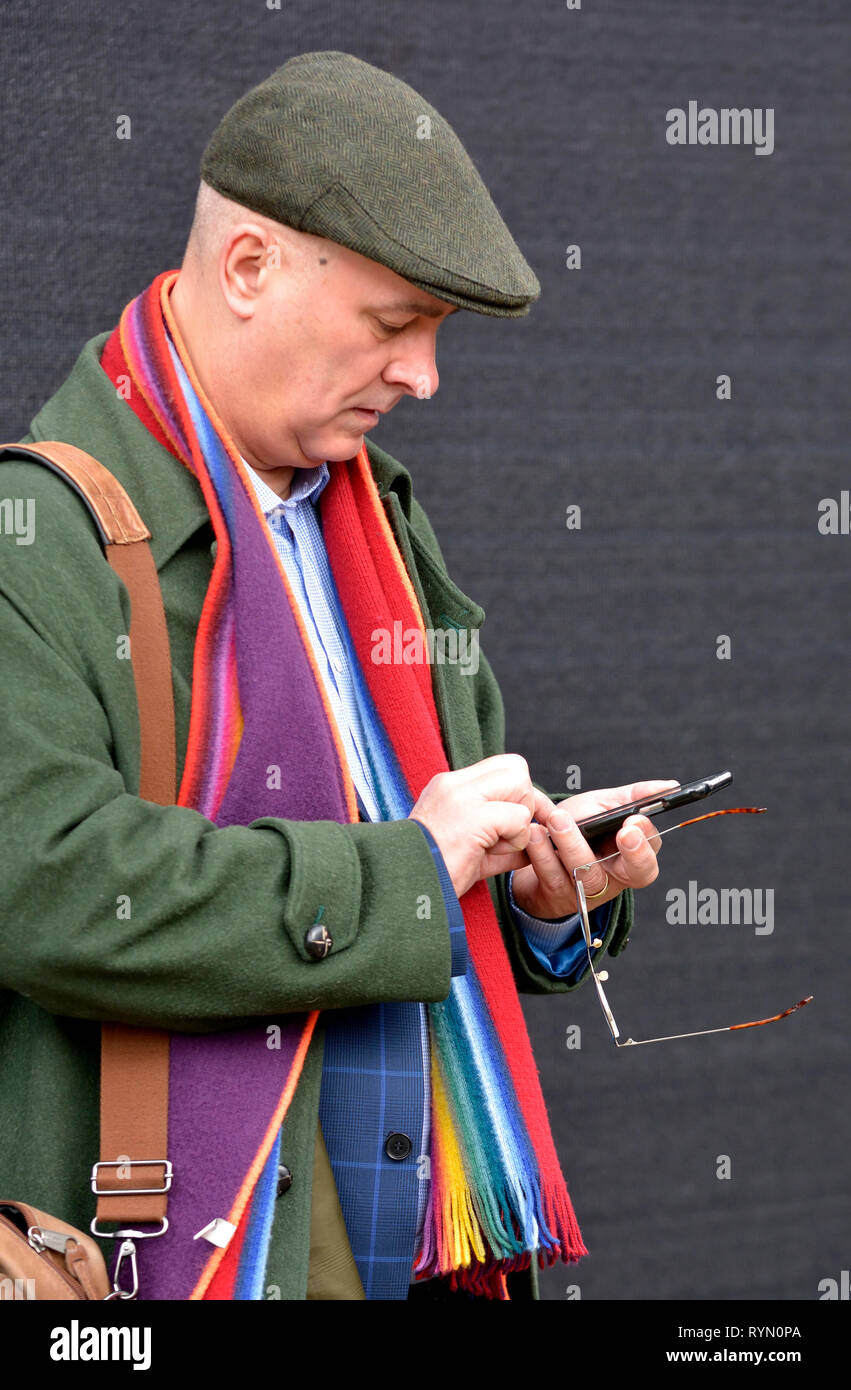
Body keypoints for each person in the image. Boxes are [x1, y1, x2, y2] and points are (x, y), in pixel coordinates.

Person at [0, 51, 673, 1301]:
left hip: (425, 1241)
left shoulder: (381, 526)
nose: (422, 374)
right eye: (392, 322)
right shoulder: (29, 535)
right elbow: (44, 890)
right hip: (184, 1264)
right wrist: (407, 869)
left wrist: (540, 896)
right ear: (248, 267)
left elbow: (433, 905)